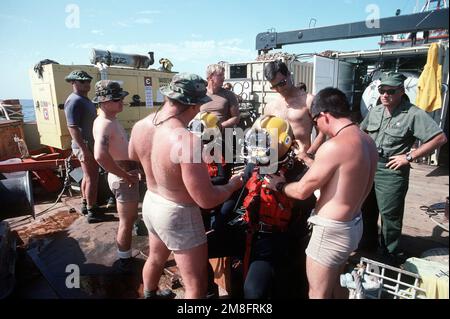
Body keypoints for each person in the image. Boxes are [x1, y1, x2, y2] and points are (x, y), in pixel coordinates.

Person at [128, 73, 243, 299]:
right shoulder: (186, 140)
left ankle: (150, 294)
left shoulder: (141, 126)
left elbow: (132, 155)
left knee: (155, 257)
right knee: (196, 286)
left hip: (151, 202)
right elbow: (206, 199)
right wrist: (232, 185)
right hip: (177, 215)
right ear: (193, 105)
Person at [265, 87, 378, 299]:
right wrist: (309, 161)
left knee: (318, 292)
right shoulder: (367, 141)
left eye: (315, 121)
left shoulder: (334, 145)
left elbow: (301, 191)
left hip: (331, 231)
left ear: (324, 116)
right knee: (336, 281)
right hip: (353, 225)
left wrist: (279, 185)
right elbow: (344, 175)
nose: (316, 126)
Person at [359, 72, 447, 261]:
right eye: (382, 90)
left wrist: (409, 156)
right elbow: (361, 132)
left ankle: (390, 253)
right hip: (370, 165)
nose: (385, 95)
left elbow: (439, 138)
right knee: (366, 208)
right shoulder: (375, 111)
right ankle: (367, 243)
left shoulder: (413, 114)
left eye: (390, 91)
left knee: (390, 215)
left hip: (392, 170)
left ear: (401, 91)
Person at [92, 80, 140, 271]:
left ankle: (125, 255)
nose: (121, 101)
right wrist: (126, 176)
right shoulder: (105, 124)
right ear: (104, 102)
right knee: (126, 222)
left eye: (121, 97)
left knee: (129, 219)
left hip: (124, 173)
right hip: (122, 178)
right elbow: (99, 156)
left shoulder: (110, 121)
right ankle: (125, 260)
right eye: (116, 98)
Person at [263, 60, 325, 155]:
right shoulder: (270, 106)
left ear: (288, 75)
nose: (279, 89)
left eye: (282, 83)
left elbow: (322, 133)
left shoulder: (309, 101)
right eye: (274, 87)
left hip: (301, 162)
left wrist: (309, 155)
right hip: (276, 161)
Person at [64, 70, 101, 223]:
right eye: (82, 81)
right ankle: (92, 212)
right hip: (84, 145)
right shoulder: (74, 101)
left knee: (87, 176)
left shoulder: (84, 100)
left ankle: (86, 204)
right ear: (73, 83)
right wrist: (84, 150)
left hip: (87, 144)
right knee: (93, 177)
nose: (87, 83)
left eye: (88, 81)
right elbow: (72, 127)